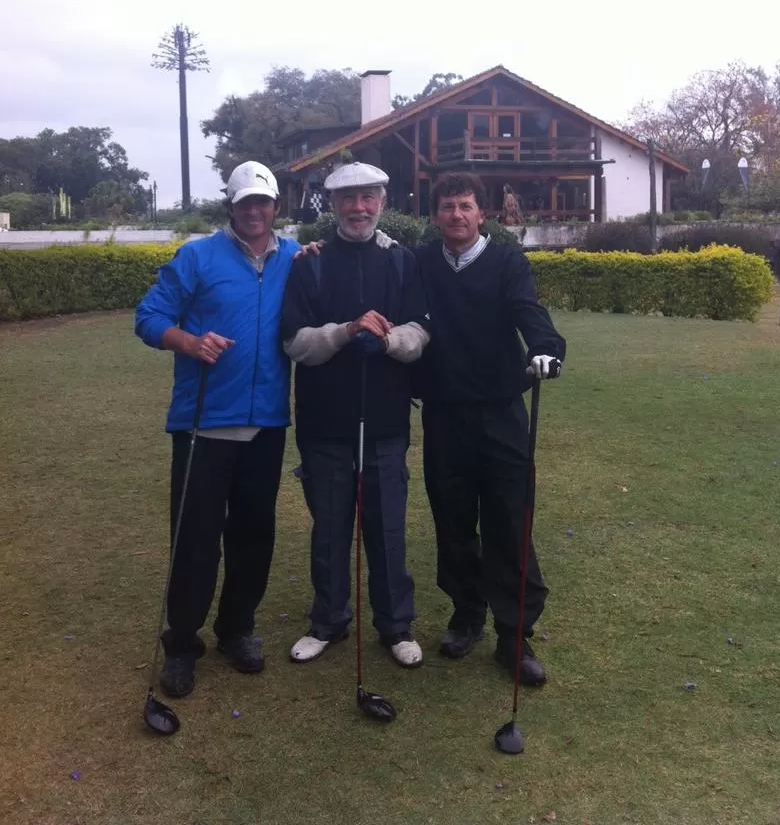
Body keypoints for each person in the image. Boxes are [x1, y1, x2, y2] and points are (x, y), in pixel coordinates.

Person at [134, 161, 300, 699]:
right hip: (203, 424)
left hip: (266, 423)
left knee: (254, 535)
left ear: (277, 206)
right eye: (245, 203)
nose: (254, 211)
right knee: (195, 541)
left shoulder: (296, 257)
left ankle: (237, 630)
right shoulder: (197, 256)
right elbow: (149, 316)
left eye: (263, 202)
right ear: (231, 206)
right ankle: (182, 643)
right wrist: (188, 342)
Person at [413, 172, 566, 687]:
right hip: (443, 414)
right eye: (447, 207)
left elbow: (529, 312)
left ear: (482, 214)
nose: (456, 215)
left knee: (508, 521)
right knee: (453, 522)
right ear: (435, 215)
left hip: (501, 412)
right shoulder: (420, 261)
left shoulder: (505, 261)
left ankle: (513, 634)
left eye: (465, 206)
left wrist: (546, 348)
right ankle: (466, 613)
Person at [281, 162, 430, 669]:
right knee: (330, 529)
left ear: (382, 201)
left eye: (368, 197)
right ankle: (328, 621)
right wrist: (345, 332)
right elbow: (295, 342)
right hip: (325, 424)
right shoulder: (311, 264)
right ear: (333, 204)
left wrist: (387, 341)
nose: (359, 207)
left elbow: (421, 332)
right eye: (348, 198)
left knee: (387, 529)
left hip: (385, 422)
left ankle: (395, 625)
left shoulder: (402, 262)